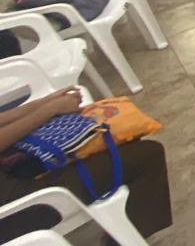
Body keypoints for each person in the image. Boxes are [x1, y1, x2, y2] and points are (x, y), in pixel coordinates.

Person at [0, 89, 173, 240]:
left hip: (15, 173)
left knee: (119, 138)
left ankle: (128, 232)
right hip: (18, 206)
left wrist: (46, 103)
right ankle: (125, 240)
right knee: (147, 155)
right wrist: (50, 108)